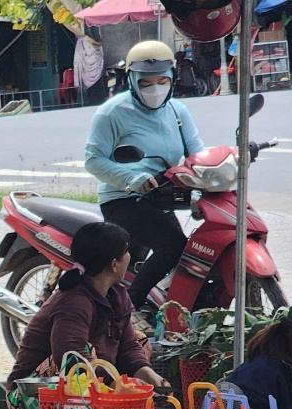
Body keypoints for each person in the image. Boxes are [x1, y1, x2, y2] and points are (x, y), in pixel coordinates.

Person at [84, 40, 204, 329]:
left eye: (162, 81)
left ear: (173, 79)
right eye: (146, 82)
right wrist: (131, 178)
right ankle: (129, 311)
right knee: (173, 245)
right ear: (132, 81)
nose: (155, 88)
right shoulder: (111, 112)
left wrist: (204, 180)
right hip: (122, 199)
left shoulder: (178, 111)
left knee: (193, 253)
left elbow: (197, 153)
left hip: (164, 196)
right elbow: (93, 160)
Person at [5, 222, 168, 409]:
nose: (129, 256)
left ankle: (110, 405)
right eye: (126, 252)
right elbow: (69, 356)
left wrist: (151, 378)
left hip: (93, 386)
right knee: (77, 358)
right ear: (114, 264)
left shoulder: (117, 295)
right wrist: (120, 387)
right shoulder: (73, 301)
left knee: (140, 339)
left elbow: (129, 347)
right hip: (28, 396)